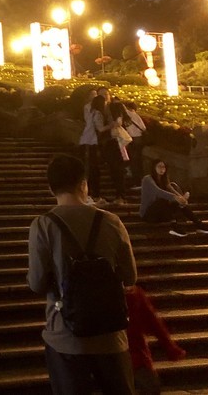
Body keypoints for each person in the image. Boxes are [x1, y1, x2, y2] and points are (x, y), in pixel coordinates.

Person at [28, 154, 137, 395]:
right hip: (111, 335)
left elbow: (36, 283)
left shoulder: (43, 224)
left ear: (50, 187)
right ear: (83, 184)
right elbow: (130, 277)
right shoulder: (112, 221)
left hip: (65, 334)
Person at [124, 285, 185, 395]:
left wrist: (170, 347)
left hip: (130, 354)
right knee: (150, 386)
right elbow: (153, 321)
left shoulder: (134, 294)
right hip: (131, 354)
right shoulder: (133, 294)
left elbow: (152, 321)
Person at [139, 160, 208, 237]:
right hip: (148, 214)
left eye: (163, 167)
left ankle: (199, 224)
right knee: (163, 200)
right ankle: (174, 226)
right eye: (159, 166)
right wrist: (176, 198)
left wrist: (182, 199)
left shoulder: (165, 181)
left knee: (178, 203)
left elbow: (173, 192)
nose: (162, 169)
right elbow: (158, 192)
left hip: (161, 215)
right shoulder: (147, 179)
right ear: (154, 168)